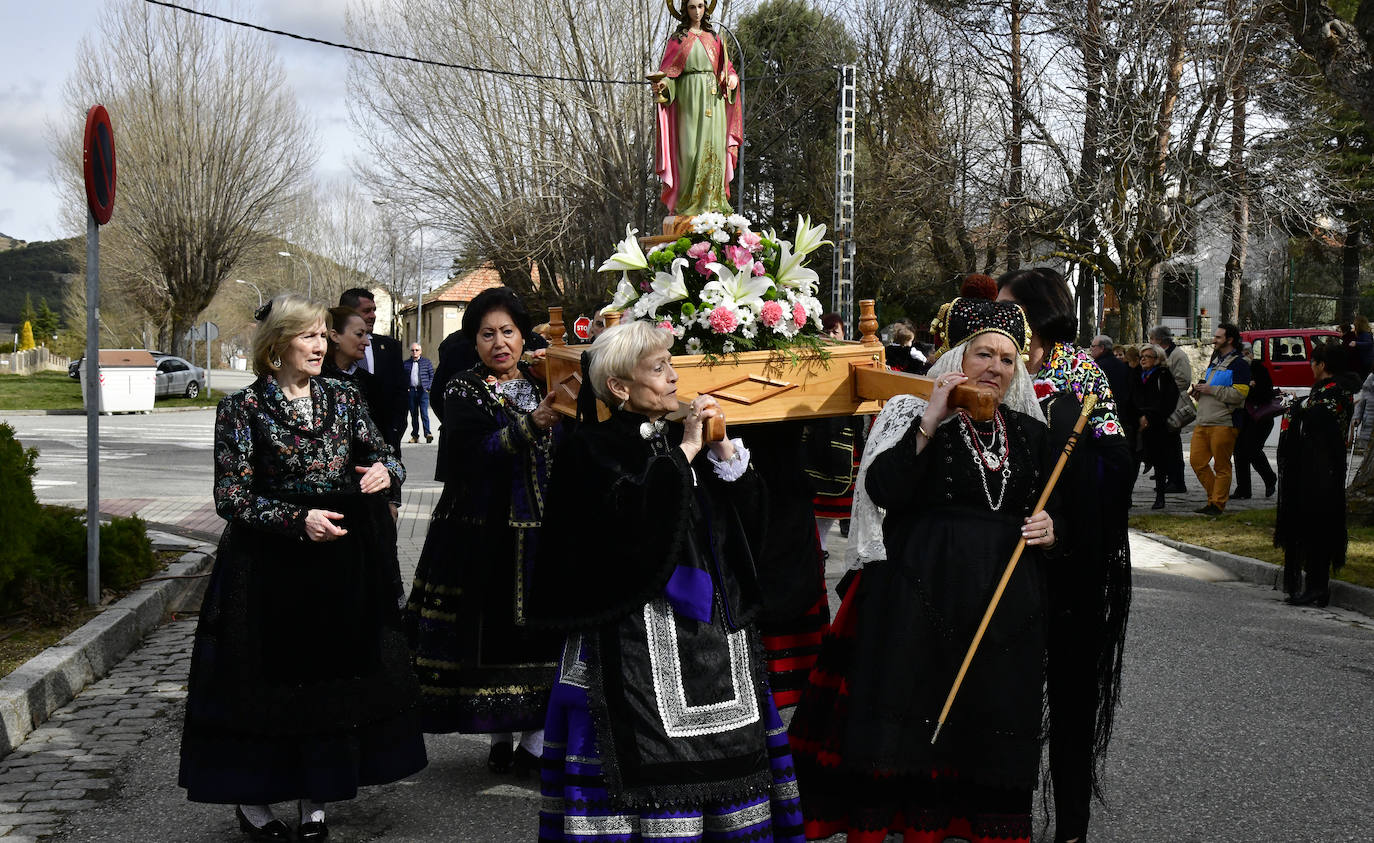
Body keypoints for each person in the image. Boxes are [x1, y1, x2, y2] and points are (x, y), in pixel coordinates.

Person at [790, 297, 1058, 843]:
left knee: (991, 703)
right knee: (915, 699)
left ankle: (979, 819)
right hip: (920, 590)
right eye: (984, 354)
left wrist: (1051, 527)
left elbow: (1043, 508)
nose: (996, 368)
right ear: (958, 356)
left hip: (1001, 599)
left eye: (1008, 360)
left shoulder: (1028, 431)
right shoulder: (912, 414)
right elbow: (883, 489)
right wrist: (929, 423)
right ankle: (909, 821)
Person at [531, 321, 803, 842]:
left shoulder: (686, 436)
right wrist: (687, 451)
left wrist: (724, 459)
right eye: (658, 369)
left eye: (671, 365)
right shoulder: (590, 447)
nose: (674, 378)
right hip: (630, 629)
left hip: (713, 636)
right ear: (618, 387)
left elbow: (744, 527)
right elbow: (631, 519)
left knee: (731, 752)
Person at [179, 294, 425, 841]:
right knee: (265, 688)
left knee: (328, 684)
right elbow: (231, 497)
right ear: (277, 346)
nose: (320, 345)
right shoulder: (242, 409)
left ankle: (316, 800)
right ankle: (255, 803)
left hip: (339, 565)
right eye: (309, 336)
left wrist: (386, 471)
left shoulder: (344, 396)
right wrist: (297, 519)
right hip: (268, 568)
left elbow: (387, 452)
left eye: (322, 336)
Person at [403, 287, 563, 775]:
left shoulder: (544, 380)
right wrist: (530, 425)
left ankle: (534, 744)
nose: (499, 343)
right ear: (474, 341)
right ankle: (497, 734)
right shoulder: (461, 389)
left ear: (523, 335)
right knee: (489, 632)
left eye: (508, 332)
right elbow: (471, 455)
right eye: (487, 334)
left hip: (541, 532)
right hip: (481, 531)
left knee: (541, 637)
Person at [996, 268, 1131, 843]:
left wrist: (1066, 523)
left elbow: (1112, 471)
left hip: (1068, 569)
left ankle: (1070, 828)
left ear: (1037, 313)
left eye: (1007, 308)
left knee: (1071, 706)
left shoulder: (1078, 375)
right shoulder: (992, 363)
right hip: (999, 562)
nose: (996, 319)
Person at [1276, 339, 1357, 607]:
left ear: (1322, 365)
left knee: (1318, 526)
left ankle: (1317, 586)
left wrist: (1296, 407)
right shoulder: (1325, 390)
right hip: (1311, 467)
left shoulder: (1336, 392)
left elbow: (1313, 414)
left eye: (1312, 362)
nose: (1311, 367)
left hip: (1323, 469)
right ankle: (1313, 585)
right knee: (1309, 525)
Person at [652, 0, 743, 216]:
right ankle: (687, 205)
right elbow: (669, 74)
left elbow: (727, 68)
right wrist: (662, 84)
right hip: (688, 101)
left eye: (701, 6)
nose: (697, 11)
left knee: (714, 151)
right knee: (690, 152)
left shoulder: (715, 38)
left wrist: (731, 78)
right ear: (685, 9)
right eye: (692, 7)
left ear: (707, 8)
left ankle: (714, 204)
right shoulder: (678, 40)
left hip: (714, 101)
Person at [1189, 323, 1250, 515]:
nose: (1214, 340)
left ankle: (1216, 503)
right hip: (1204, 419)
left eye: (1218, 337)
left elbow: (1240, 395)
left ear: (1229, 340)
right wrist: (1199, 392)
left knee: (1222, 466)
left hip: (1224, 422)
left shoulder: (1240, 363)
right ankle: (1214, 498)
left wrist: (1211, 390)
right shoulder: (1215, 360)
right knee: (1197, 461)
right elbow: (1210, 386)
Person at [339, 288, 408, 455]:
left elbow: (400, 396)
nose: (373, 315)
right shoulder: (326, 361)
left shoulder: (390, 347)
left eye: (374, 310)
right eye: (366, 311)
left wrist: (393, 437)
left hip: (385, 446)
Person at [1148, 325, 1193, 493]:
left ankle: (1177, 481)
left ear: (1160, 340)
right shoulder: (1164, 354)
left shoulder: (1178, 355)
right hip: (1163, 405)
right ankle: (1170, 478)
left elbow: (1183, 380)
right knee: (1166, 445)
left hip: (1173, 405)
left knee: (1173, 445)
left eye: (1152, 339)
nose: (1150, 342)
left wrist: (1163, 391)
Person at [1137, 345, 1181, 509]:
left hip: (1157, 425)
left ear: (1157, 359)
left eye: (1148, 356)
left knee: (1159, 462)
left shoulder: (1163, 375)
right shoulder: (1139, 374)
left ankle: (1160, 496)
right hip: (1138, 423)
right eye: (1142, 356)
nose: (1143, 359)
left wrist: (1150, 417)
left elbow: (1168, 401)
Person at [1232, 354, 1278, 500]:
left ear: (1250, 355)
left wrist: (1248, 388)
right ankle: (1243, 489)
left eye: (1245, 355)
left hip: (1260, 418)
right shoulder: (1235, 369)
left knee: (1252, 449)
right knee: (1239, 451)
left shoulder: (1259, 369)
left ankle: (1270, 477)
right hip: (1242, 417)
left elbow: (1265, 394)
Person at [403, 342, 435, 443]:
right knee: (413, 414)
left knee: (424, 413)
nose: (414, 352)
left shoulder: (426, 362)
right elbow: (402, 377)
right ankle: (415, 436)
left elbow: (432, 376)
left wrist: (428, 387)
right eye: (412, 350)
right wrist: (406, 387)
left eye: (416, 350)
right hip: (411, 391)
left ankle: (428, 434)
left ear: (420, 351)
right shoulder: (406, 363)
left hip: (423, 391)